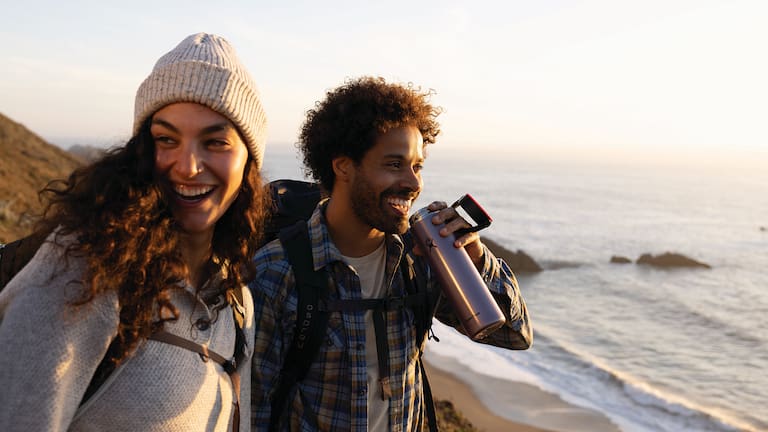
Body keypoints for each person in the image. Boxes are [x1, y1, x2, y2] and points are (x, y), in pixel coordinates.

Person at [0, 32, 268, 431]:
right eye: (166, 139)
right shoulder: (83, 273)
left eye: (215, 142)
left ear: (249, 162)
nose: (188, 166)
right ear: (142, 149)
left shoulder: (235, 300)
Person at [250, 77, 532, 432]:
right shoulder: (276, 273)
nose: (414, 183)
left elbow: (514, 336)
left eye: (417, 166)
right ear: (343, 167)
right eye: (395, 164)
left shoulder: (421, 262)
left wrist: (475, 258)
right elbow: (253, 410)